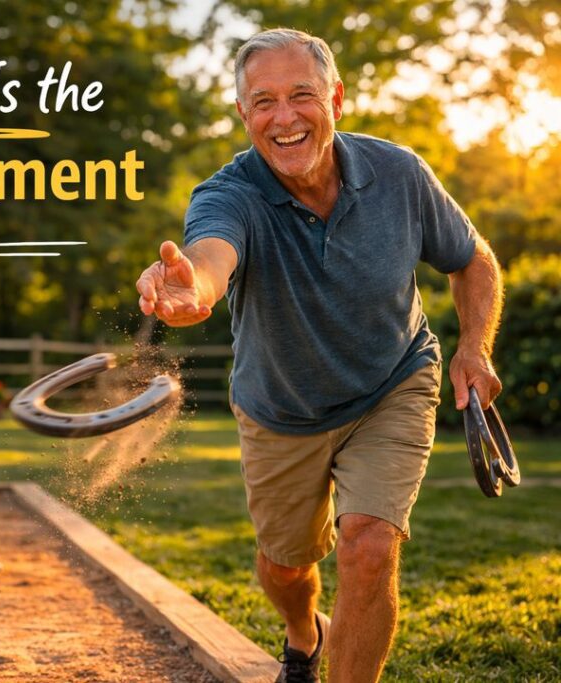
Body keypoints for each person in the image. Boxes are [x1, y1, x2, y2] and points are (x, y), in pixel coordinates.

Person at [136, 28, 503, 683]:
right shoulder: (228, 194)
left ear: (335, 98)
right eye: (264, 102)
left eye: (301, 95)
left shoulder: (399, 174)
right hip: (280, 405)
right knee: (284, 566)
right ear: (243, 114)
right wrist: (195, 286)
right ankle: (305, 634)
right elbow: (211, 256)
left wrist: (474, 346)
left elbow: (472, 259)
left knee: (369, 544)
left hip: (392, 382)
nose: (284, 118)